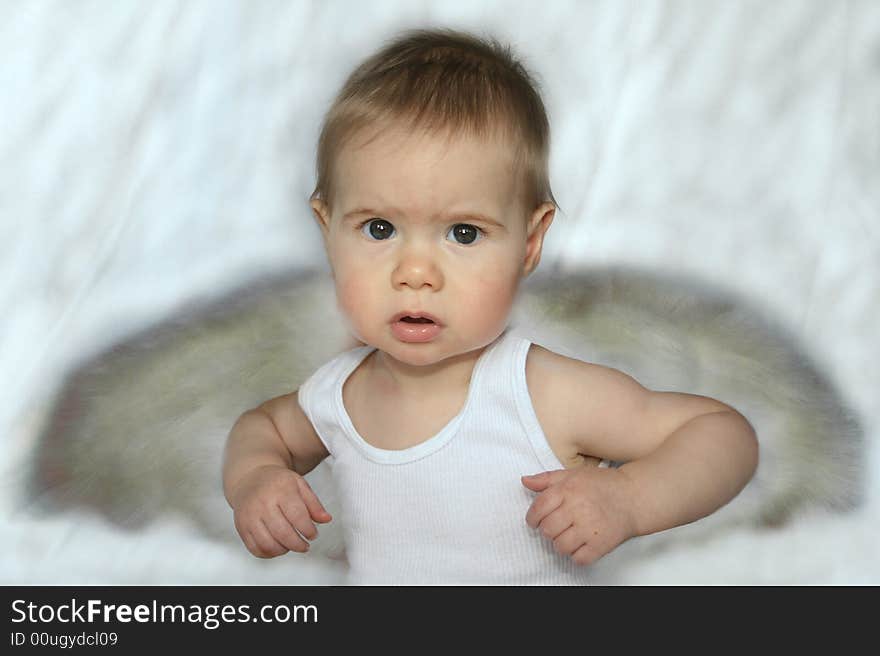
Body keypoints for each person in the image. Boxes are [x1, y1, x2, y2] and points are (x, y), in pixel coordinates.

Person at [222, 28, 759, 584]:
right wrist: (256, 477)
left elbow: (721, 433)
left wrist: (631, 498)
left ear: (529, 244)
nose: (416, 274)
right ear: (327, 228)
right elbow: (263, 429)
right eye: (379, 228)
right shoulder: (337, 396)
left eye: (464, 233)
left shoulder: (540, 394)